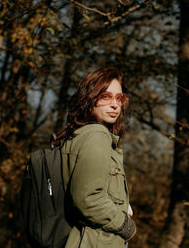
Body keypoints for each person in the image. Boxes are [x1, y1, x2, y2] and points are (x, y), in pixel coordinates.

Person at [54, 68, 136, 248]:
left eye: (119, 98)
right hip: (96, 241)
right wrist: (126, 226)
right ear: (89, 98)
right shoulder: (96, 135)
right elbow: (88, 198)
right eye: (105, 96)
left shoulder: (79, 135)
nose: (115, 104)